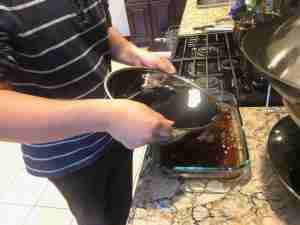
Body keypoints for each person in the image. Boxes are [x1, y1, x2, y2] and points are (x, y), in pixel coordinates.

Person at [0, 0, 176, 225]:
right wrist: (108, 117)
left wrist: (132, 52)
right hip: (68, 154)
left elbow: (96, 27)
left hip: (115, 131)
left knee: (120, 209)